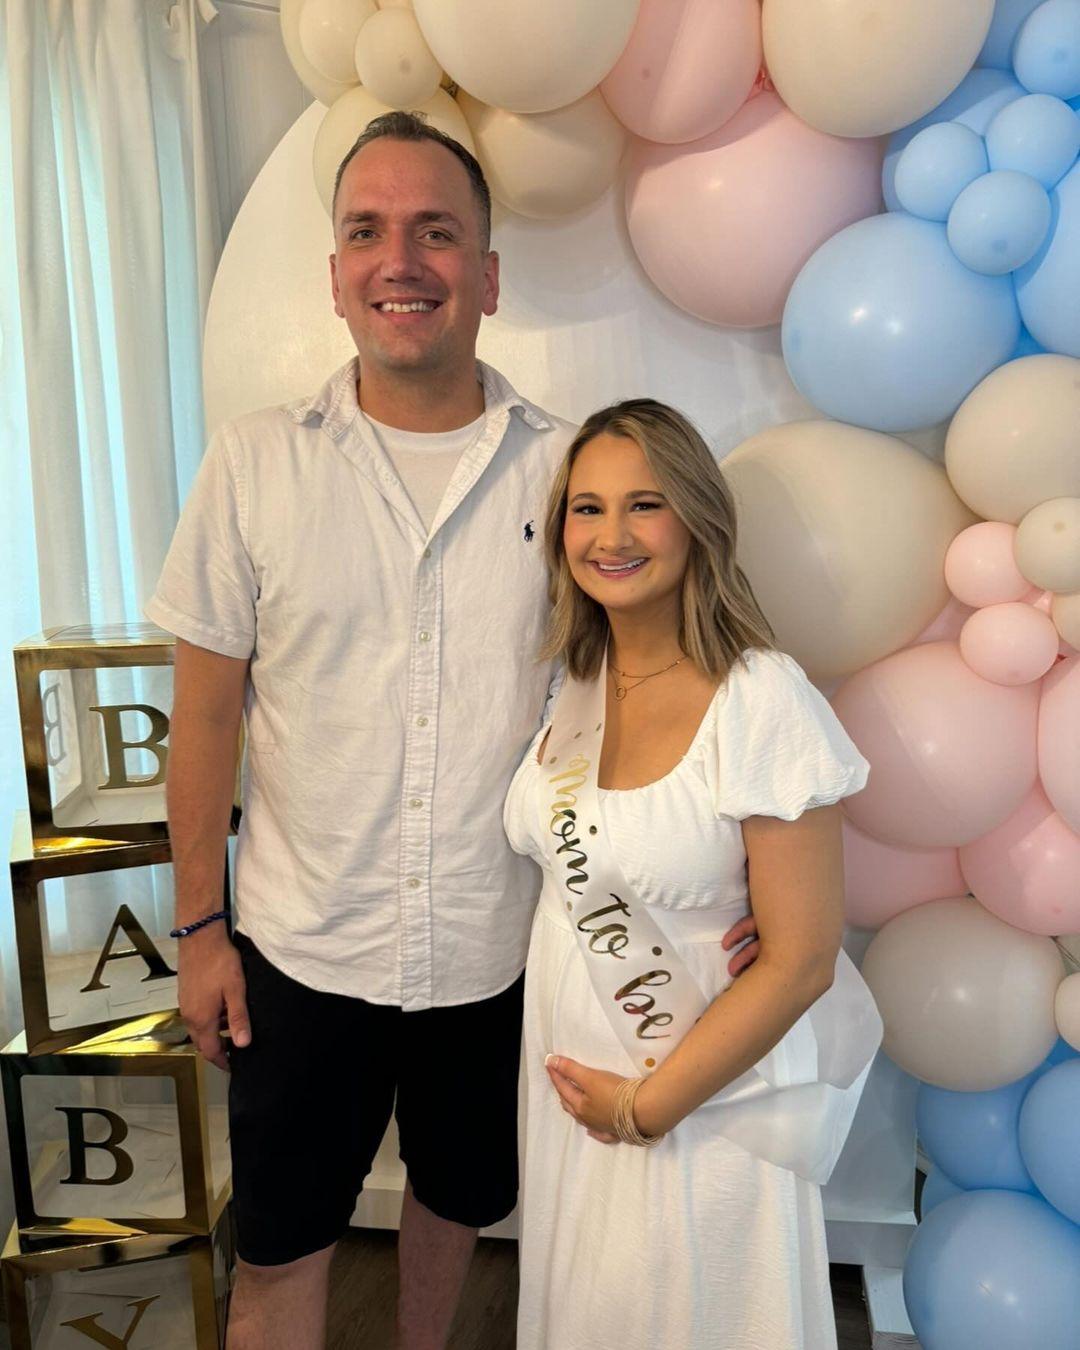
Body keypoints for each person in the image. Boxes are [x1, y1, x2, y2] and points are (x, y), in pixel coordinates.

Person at [146, 112, 761, 1349]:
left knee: (457, 1208)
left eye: (437, 230)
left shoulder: (566, 477)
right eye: (367, 231)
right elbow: (204, 717)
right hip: (298, 953)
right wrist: (201, 933)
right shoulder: (254, 466)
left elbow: (641, 694)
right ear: (334, 275)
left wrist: (715, 898)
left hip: (499, 949)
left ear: (486, 274)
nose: (400, 259)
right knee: (278, 1247)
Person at [504, 400, 884, 1350]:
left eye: (646, 504)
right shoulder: (571, 683)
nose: (613, 536)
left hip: (702, 1108)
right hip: (566, 1095)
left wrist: (646, 1109)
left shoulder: (761, 696)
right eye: (587, 509)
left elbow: (802, 960)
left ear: (698, 521)